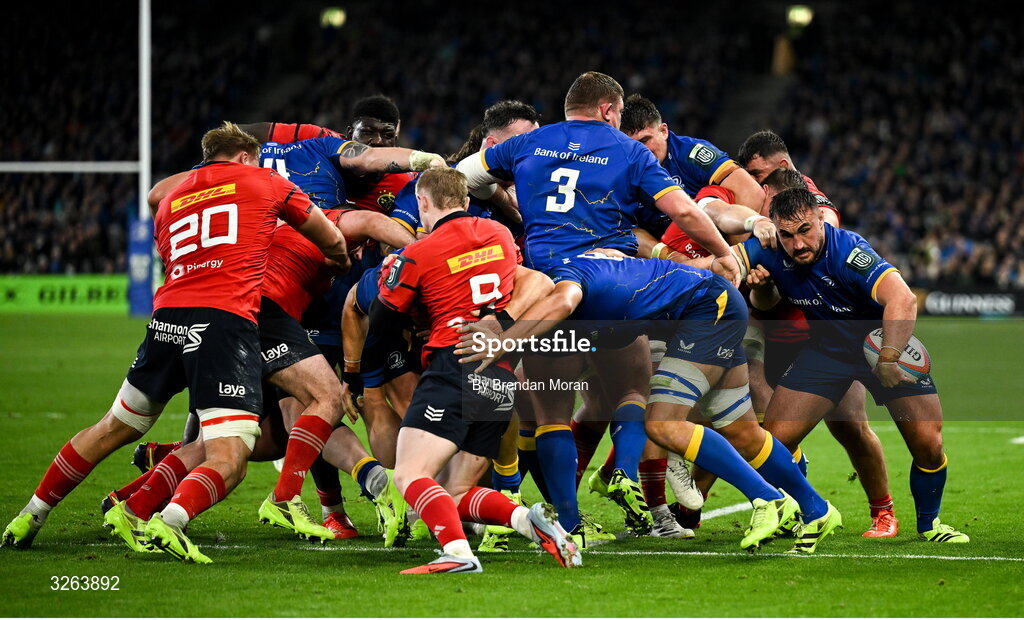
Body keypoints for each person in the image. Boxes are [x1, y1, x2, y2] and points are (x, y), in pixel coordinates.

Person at [1, 123, 349, 561]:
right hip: (224, 321)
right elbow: (330, 236)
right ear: (244, 158)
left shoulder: (173, 198)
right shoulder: (266, 181)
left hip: (166, 318)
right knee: (229, 457)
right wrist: (338, 257)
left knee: (113, 426)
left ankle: (31, 513)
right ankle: (171, 521)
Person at [454, 71, 740, 544]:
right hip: (604, 280)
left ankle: (567, 522)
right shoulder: (626, 149)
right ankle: (628, 477)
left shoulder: (530, 143)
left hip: (547, 284)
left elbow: (465, 176)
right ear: (609, 109)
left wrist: (507, 203)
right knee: (632, 383)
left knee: (548, 409)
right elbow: (686, 212)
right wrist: (725, 256)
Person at [458, 251, 843, 553]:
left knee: (662, 423)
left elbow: (562, 303)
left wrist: (504, 336)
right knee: (742, 430)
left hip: (708, 311)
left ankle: (770, 498)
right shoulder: (561, 282)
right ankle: (817, 510)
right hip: (712, 308)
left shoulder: (561, 284)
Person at [363, 167, 578, 574]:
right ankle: (526, 521)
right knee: (457, 489)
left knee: (410, 475)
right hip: (499, 372)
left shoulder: (418, 252)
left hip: (454, 363)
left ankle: (458, 554)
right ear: (464, 201)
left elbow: (382, 319)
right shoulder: (499, 234)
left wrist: (365, 372)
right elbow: (518, 280)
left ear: (423, 203)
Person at [737, 187, 968, 545]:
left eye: (805, 230)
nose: (797, 244)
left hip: (878, 345)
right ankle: (808, 509)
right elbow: (751, 293)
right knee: (774, 441)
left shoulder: (849, 251)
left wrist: (889, 358)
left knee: (927, 442)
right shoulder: (768, 251)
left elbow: (903, 298)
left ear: (820, 221)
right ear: (775, 231)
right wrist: (760, 287)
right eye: (786, 234)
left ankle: (930, 525)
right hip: (826, 351)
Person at [735, 130, 897, 538]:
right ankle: (781, 509)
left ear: (783, 169)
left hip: (822, 336)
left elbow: (824, 229)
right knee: (768, 434)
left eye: (759, 176)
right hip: (774, 330)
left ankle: (883, 512)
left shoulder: (810, 204)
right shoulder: (761, 208)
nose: (755, 185)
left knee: (849, 425)